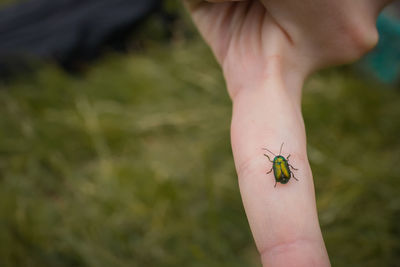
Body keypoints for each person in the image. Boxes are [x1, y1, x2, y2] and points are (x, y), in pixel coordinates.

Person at [183, 0, 394, 266]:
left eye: (278, 161)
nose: (278, 162)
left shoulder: (277, 165)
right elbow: (283, 171)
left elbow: (279, 170)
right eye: (278, 161)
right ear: (278, 162)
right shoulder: (280, 164)